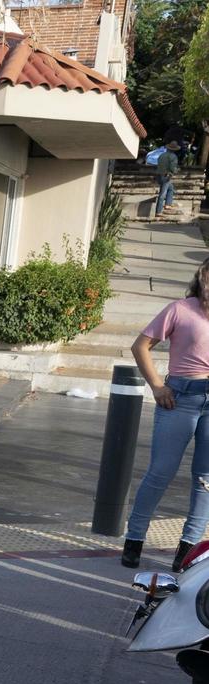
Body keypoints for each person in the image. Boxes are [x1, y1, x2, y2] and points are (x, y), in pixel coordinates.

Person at [122, 257, 209, 572]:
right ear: (202, 277)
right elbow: (140, 346)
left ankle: (187, 550)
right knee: (160, 472)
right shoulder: (180, 310)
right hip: (180, 399)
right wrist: (157, 386)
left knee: (206, 480)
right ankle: (134, 540)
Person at [156, 141, 181, 217]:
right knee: (162, 194)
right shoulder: (173, 156)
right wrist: (177, 170)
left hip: (158, 175)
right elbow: (172, 168)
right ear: (174, 149)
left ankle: (168, 204)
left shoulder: (161, 155)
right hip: (166, 176)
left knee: (171, 188)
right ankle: (158, 211)